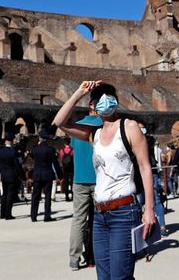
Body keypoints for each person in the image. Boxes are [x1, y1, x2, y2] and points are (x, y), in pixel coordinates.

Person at [53, 81, 155, 280]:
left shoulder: (129, 127)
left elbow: (145, 168)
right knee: (104, 277)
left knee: (120, 276)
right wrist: (79, 92)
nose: (106, 100)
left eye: (110, 96)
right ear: (92, 105)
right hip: (100, 215)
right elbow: (59, 122)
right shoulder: (94, 134)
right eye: (100, 98)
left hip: (124, 212)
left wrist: (149, 209)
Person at [68, 109, 100, 271]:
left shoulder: (77, 126)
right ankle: (96, 255)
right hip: (99, 180)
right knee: (99, 219)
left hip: (79, 179)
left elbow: (74, 148)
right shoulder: (103, 125)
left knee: (78, 219)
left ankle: (74, 258)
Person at [31, 130, 62, 222]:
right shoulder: (50, 149)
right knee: (47, 196)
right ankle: (47, 216)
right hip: (47, 174)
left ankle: (33, 216)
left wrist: (37, 144)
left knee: (35, 196)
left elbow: (33, 156)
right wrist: (60, 175)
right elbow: (55, 163)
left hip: (37, 174)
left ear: (40, 138)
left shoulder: (34, 149)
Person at [0, 134, 23, 220]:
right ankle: (8, 214)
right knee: (10, 195)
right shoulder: (13, 151)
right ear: (11, 141)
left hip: (3, 175)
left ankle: (2, 213)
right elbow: (17, 165)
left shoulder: (0, 151)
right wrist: (21, 175)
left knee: (4, 194)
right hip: (12, 175)